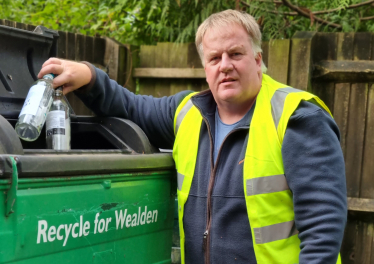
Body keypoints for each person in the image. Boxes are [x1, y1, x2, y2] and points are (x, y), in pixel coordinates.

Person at [38, 9, 347, 264]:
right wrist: (90, 77)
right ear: (205, 68)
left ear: (257, 59)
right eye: (215, 58)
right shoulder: (188, 112)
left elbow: (323, 234)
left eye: (235, 54)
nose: (225, 65)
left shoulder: (297, 117)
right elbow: (131, 106)